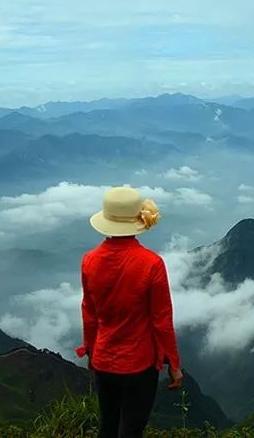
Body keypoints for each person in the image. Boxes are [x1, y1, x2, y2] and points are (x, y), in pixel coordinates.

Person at [75, 186, 183, 438]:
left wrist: (90, 350)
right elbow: (161, 321)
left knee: (108, 425)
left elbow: (89, 313)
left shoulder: (89, 260)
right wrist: (174, 364)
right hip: (139, 364)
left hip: (103, 360)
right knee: (131, 430)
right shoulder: (151, 264)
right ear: (137, 219)